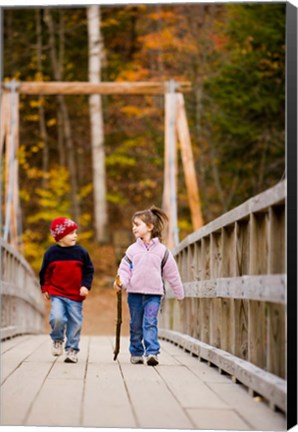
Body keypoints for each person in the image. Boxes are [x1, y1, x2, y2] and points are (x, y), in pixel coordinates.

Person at [113, 205, 184, 366]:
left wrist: (179, 293)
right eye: (133, 225)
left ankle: (152, 352)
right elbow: (124, 270)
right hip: (135, 295)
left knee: (150, 322)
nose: (133, 228)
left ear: (150, 227)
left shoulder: (162, 251)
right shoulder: (132, 250)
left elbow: (172, 274)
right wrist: (121, 282)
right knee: (135, 324)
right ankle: (136, 352)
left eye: (137, 224)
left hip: (154, 295)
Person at [39, 216, 94, 363]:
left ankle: (71, 350)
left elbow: (89, 270)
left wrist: (85, 286)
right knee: (57, 317)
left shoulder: (81, 252)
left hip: (75, 295)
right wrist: (45, 287)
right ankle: (57, 339)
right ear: (60, 236)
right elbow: (45, 272)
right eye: (71, 233)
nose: (75, 235)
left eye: (75, 232)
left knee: (75, 322)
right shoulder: (51, 253)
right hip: (57, 293)